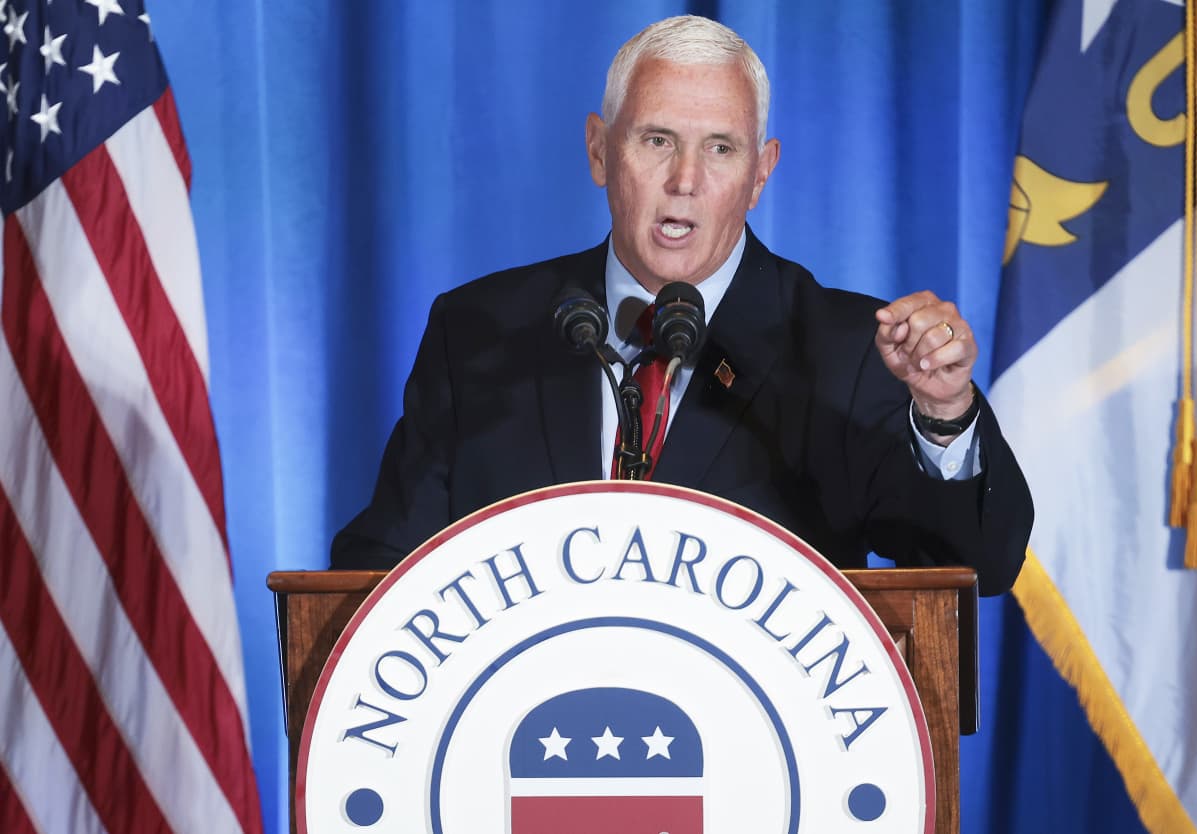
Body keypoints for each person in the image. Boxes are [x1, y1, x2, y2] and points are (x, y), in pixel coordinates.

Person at [330, 15, 1032, 596]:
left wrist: (945, 416)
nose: (685, 180)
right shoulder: (480, 331)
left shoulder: (845, 348)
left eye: (720, 149)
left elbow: (976, 566)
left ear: (761, 174)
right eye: (657, 140)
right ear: (600, 151)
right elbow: (385, 565)